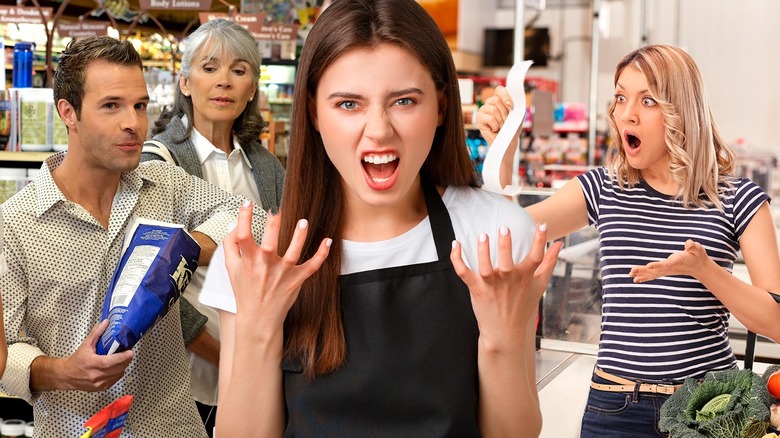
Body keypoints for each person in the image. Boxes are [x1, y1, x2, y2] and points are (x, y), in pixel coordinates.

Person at [199, 0, 562, 436]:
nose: (378, 130)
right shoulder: (255, 259)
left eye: (404, 101)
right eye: (349, 104)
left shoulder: (497, 236)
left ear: (442, 107)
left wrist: (501, 339)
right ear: (313, 111)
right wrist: (260, 329)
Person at [477, 44, 780, 437]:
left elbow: (775, 322)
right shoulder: (603, 188)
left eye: (648, 100)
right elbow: (509, 236)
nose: (627, 114)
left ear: (681, 110)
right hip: (614, 407)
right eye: (620, 97)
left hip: (707, 411)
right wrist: (505, 148)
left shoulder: (740, 199)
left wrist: (703, 270)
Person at [0, 36, 264, 436]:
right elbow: (7, 352)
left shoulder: (163, 182)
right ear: (68, 113)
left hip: (173, 426)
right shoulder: (14, 225)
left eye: (140, 105)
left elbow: (250, 217)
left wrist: (184, 248)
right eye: (111, 106)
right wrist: (66, 372)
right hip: (77, 428)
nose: (133, 123)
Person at [142, 18, 285, 434]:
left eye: (238, 71)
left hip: (257, 377)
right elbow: (151, 282)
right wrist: (223, 356)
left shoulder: (268, 169)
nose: (223, 81)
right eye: (209, 68)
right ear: (185, 82)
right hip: (183, 379)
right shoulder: (159, 164)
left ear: (252, 90)